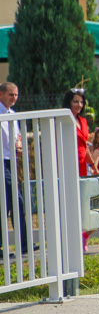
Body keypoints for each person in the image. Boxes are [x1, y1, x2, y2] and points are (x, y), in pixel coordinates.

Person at [63, 88, 99, 252]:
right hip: (67, 162)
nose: (79, 105)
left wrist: (93, 166)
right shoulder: (63, 118)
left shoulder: (83, 121)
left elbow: (84, 146)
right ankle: (70, 239)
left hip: (82, 163)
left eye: (81, 102)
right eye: (75, 101)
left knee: (83, 202)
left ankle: (81, 237)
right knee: (70, 202)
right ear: (68, 102)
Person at [0, 82, 30, 255]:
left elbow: (15, 137)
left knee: (5, 204)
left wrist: (18, 145)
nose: (14, 98)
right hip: (2, 162)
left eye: (16, 95)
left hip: (10, 161)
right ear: (1, 95)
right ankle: (24, 243)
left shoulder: (13, 114)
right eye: (10, 94)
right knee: (16, 201)